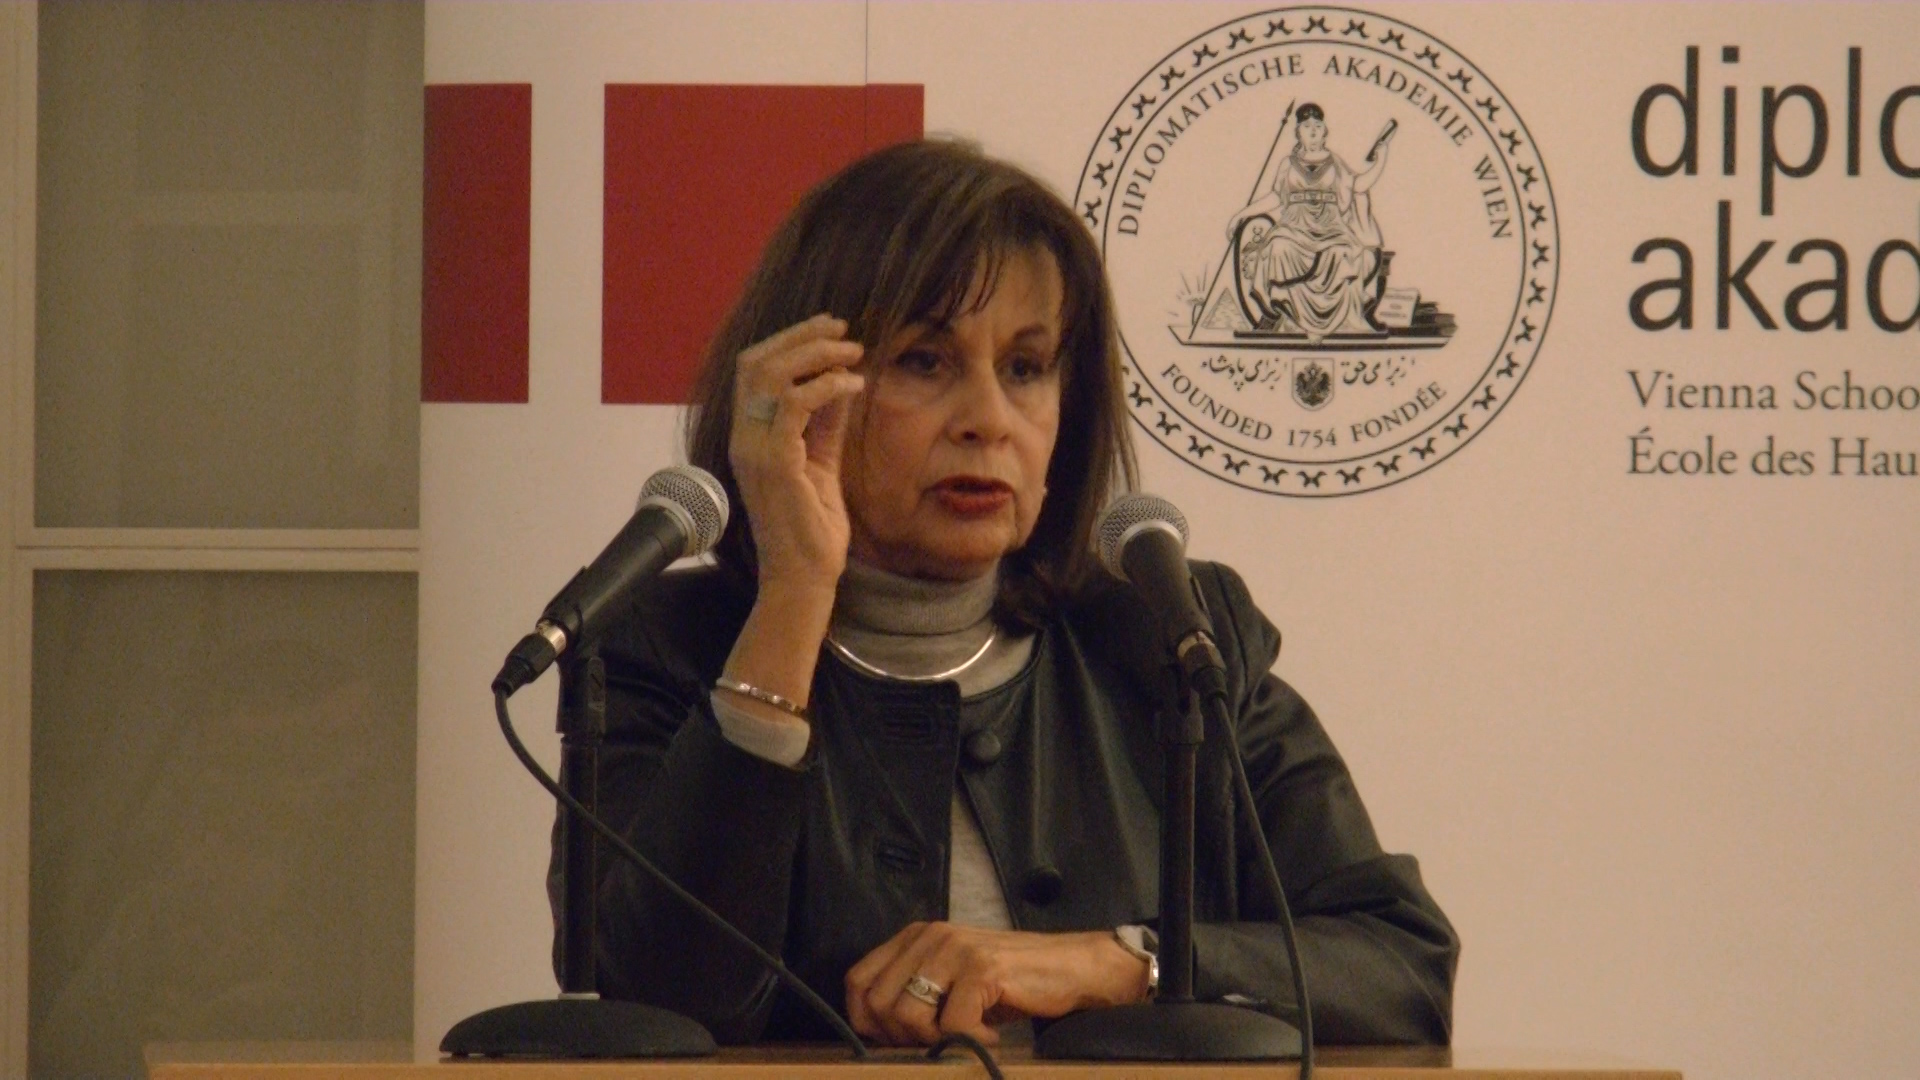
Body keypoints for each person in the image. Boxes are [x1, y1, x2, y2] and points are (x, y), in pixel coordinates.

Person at [551, 139, 1456, 1048]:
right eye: (924, 361)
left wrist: (1118, 963)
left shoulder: (1170, 640)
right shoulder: (662, 648)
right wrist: (793, 591)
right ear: (805, 391)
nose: (988, 420)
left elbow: (1400, 964)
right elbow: (658, 1008)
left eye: (1025, 368)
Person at [1226, 103, 1394, 339]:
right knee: (1278, 247)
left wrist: (1381, 159)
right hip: (1294, 227)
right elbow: (1276, 196)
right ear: (1298, 133)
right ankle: (1281, 313)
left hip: (1330, 228)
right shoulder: (1287, 164)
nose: (1313, 130)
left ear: (1325, 131)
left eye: (1317, 126)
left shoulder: (1335, 162)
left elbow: (1358, 185)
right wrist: (1242, 214)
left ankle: (1336, 319)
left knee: (1343, 252)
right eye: (1306, 126)